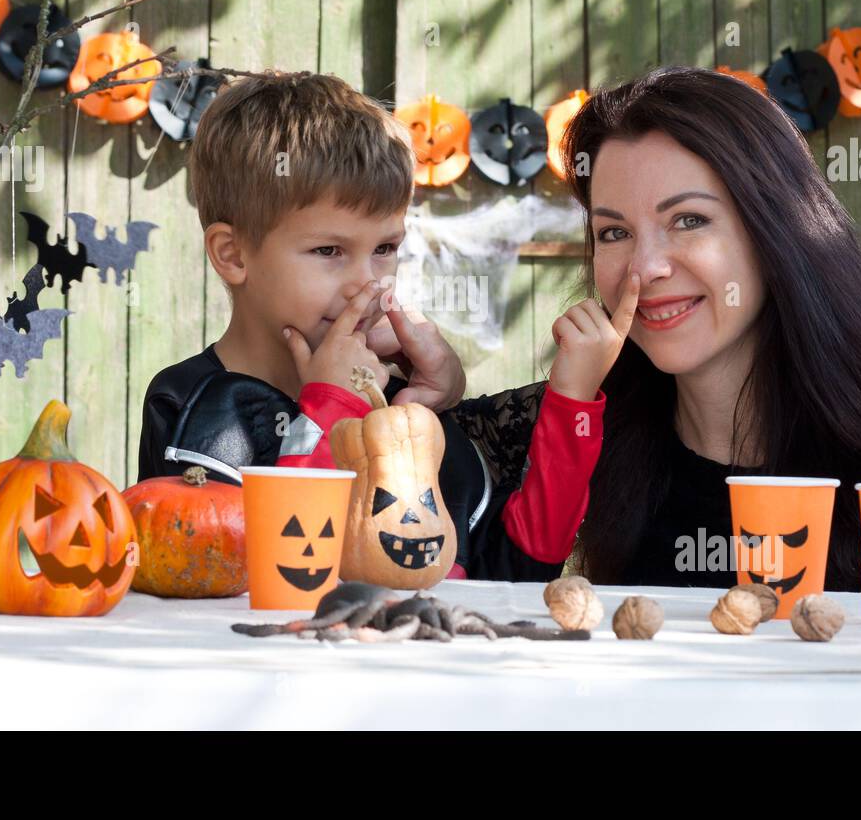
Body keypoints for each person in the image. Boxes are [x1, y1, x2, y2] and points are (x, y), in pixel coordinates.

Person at [450, 65, 861, 591]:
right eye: (614, 232)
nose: (645, 269)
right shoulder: (573, 425)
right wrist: (428, 388)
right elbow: (389, 464)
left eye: (689, 220)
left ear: (775, 232)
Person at [137, 70, 629, 579]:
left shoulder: (402, 407)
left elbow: (521, 565)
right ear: (233, 254)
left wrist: (571, 400)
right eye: (328, 251)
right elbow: (272, 578)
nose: (365, 282)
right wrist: (330, 407)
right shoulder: (189, 404)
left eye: (385, 249)